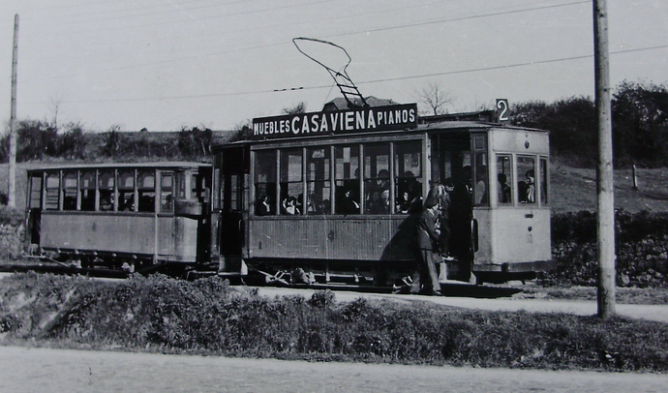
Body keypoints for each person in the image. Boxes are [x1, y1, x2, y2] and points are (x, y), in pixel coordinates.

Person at [410, 196, 442, 296]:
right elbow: (431, 230)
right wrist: (439, 238)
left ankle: (414, 288)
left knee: (420, 267)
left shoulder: (427, 214)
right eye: (436, 205)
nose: (437, 207)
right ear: (433, 206)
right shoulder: (426, 215)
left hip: (422, 244)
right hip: (425, 244)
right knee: (430, 266)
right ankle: (436, 289)